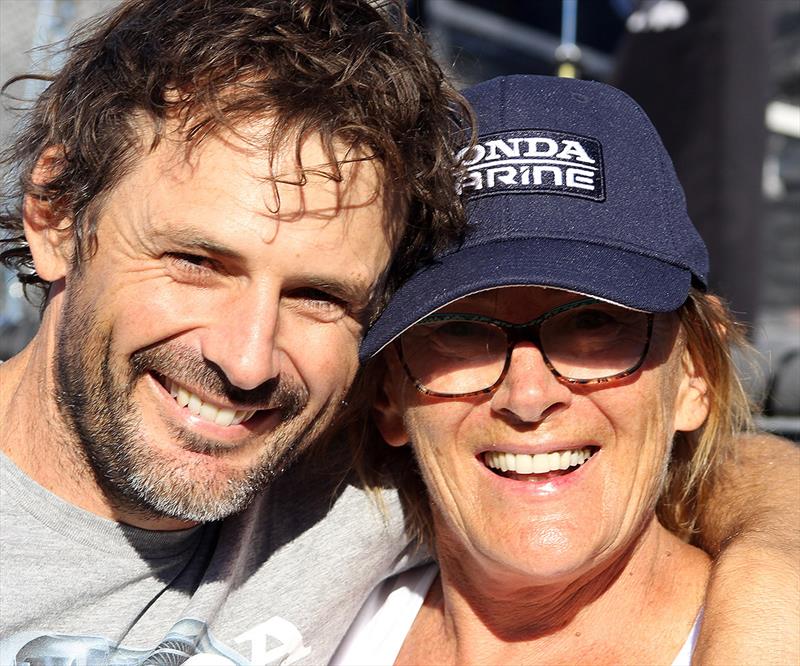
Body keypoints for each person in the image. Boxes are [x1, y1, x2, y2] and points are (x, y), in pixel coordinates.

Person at [0, 3, 796, 665]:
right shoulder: (351, 481)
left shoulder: (336, 480)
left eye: (318, 295)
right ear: (55, 215)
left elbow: (696, 462)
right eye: (197, 261)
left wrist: (769, 588)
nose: (245, 360)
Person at [335, 75, 800, 665]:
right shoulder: (315, 628)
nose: (528, 395)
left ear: (693, 375)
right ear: (388, 398)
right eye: (460, 331)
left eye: (594, 324)